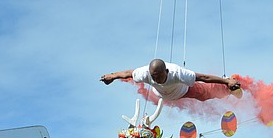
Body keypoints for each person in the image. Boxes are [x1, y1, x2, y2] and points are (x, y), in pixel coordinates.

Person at [100, 59, 241, 102]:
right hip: (164, 95)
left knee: (204, 94)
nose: (156, 79)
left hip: (183, 91)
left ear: (166, 71)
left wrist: (226, 81)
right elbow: (127, 73)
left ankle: (228, 88)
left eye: (159, 76)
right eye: (153, 76)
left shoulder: (177, 73)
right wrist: (111, 76)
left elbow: (204, 77)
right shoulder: (145, 73)